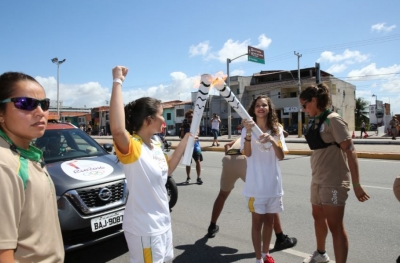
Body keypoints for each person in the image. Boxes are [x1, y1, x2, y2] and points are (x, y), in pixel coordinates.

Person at [109, 65, 192, 263]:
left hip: (162, 223)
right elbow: (118, 130)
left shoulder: (155, 144)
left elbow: (168, 170)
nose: (164, 119)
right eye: (162, 114)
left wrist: (185, 141)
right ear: (149, 119)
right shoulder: (133, 147)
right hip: (144, 228)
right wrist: (117, 81)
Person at [299, 84, 370, 263]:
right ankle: (321, 254)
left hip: (334, 182)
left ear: (314, 101)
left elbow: (351, 150)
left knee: (335, 227)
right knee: (318, 217)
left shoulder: (333, 120)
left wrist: (356, 184)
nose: (303, 109)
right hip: (317, 180)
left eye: (304, 105)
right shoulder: (317, 120)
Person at [0, 72, 64, 262]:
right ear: (1, 114)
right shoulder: (5, 165)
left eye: (44, 104)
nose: (40, 112)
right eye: (25, 103)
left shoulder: (27, 154)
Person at [207, 137, 297, 252]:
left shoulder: (241, 137)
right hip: (244, 160)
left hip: (229, 158)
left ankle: (212, 226)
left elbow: (227, 145)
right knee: (269, 196)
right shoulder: (260, 134)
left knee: (222, 195)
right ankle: (280, 238)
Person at [241, 95, 288, 263]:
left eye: (264, 105)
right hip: (256, 187)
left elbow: (281, 156)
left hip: (273, 185)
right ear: (253, 110)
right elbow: (247, 153)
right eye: (258, 105)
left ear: (269, 108)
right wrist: (247, 133)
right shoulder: (247, 129)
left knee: (269, 221)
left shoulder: (277, 129)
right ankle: (257, 259)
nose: (261, 108)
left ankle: (265, 254)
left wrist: (273, 141)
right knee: (257, 223)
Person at [180, 109, 203, 184]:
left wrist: (191, 127)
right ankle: (188, 177)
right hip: (186, 145)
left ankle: (199, 177)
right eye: (189, 117)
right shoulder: (184, 124)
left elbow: (197, 133)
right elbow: (182, 136)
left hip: (195, 145)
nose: (190, 118)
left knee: (198, 161)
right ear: (186, 117)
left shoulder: (196, 124)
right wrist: (183, 128)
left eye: (192, 117)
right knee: (188, 162)